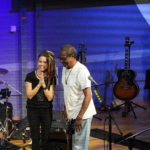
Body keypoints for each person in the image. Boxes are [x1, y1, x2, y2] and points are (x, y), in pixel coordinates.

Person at [58, 44, 96, 150]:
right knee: (72, 143)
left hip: (82, 114)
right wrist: (66, 109)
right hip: (72, 112)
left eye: (63, 58)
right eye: (60, 58)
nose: (61, 61)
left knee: (79, 146)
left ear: (72, 56)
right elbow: (69, 91)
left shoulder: (82, 71)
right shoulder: (65, 68)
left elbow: (88, 96)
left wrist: (80, 117)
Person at [25, 50, 57, 150]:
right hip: (33, 110)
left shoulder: (52, 77)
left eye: (44, 62)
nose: (41, 64)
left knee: (46, 138)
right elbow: (29, 95)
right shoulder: (30, 76)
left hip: (46, 110)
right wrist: (39, 84)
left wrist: (44, 84)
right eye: (40, 61)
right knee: (35, 138)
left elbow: (50, 97)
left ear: (48, 64)